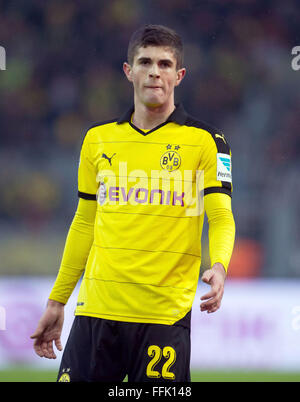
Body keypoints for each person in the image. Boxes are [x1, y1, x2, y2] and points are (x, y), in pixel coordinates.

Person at [31, 24, 235, 382]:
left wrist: (219, 266)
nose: (155, 71)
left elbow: (220, 217)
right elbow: (83, 222)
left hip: (163, 318)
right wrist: (57, 300)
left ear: (179, 74)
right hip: (96, 311)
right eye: (145, 62)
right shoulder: (97, 139)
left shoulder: (207, 142)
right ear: (129, 71)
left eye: (165, 64)